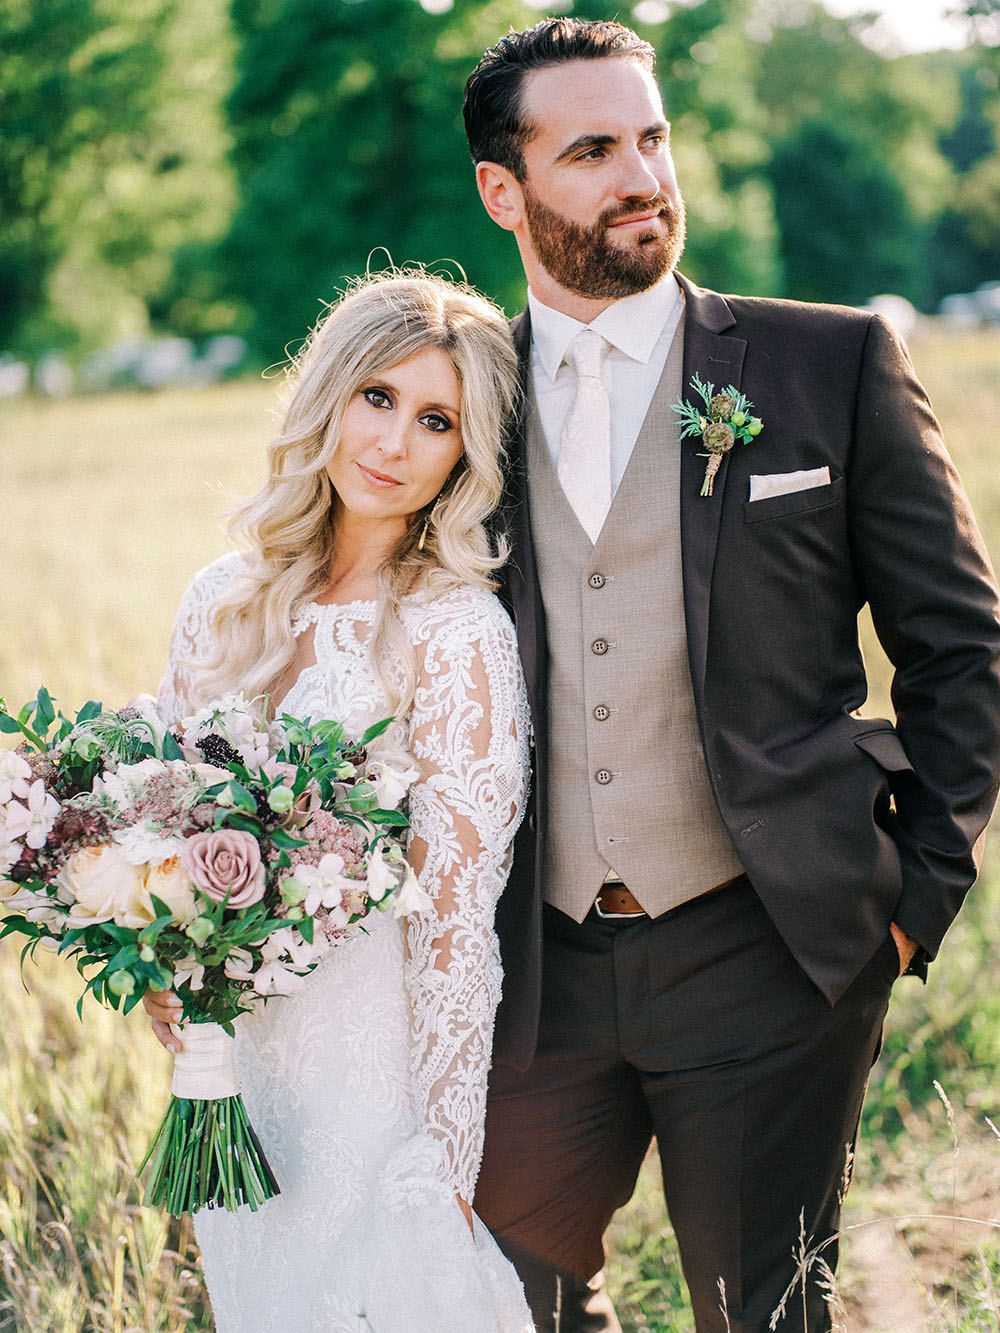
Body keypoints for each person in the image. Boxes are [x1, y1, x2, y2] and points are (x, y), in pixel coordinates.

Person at [462, 18, 1000, 1333]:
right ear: (503, 190)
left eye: (652, 136)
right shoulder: (454, 392)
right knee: (499, 1303)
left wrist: (911, 897)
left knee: (761, 1313)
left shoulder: (828, 363)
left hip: (766, 952)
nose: (642, 174)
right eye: (590, 148)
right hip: (523, 973)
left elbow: (963, 647)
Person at [143, 270, 535, 1332]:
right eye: (377, 397)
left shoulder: (458, 635)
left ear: (466, 453)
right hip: (238, 1083)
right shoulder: (220, 601)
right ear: (328, 393)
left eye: (436, 419)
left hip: (376, 1091)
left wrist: (442, 1158)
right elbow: (165, 837)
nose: (394, 442)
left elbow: (458, 921)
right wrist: (162, 977)